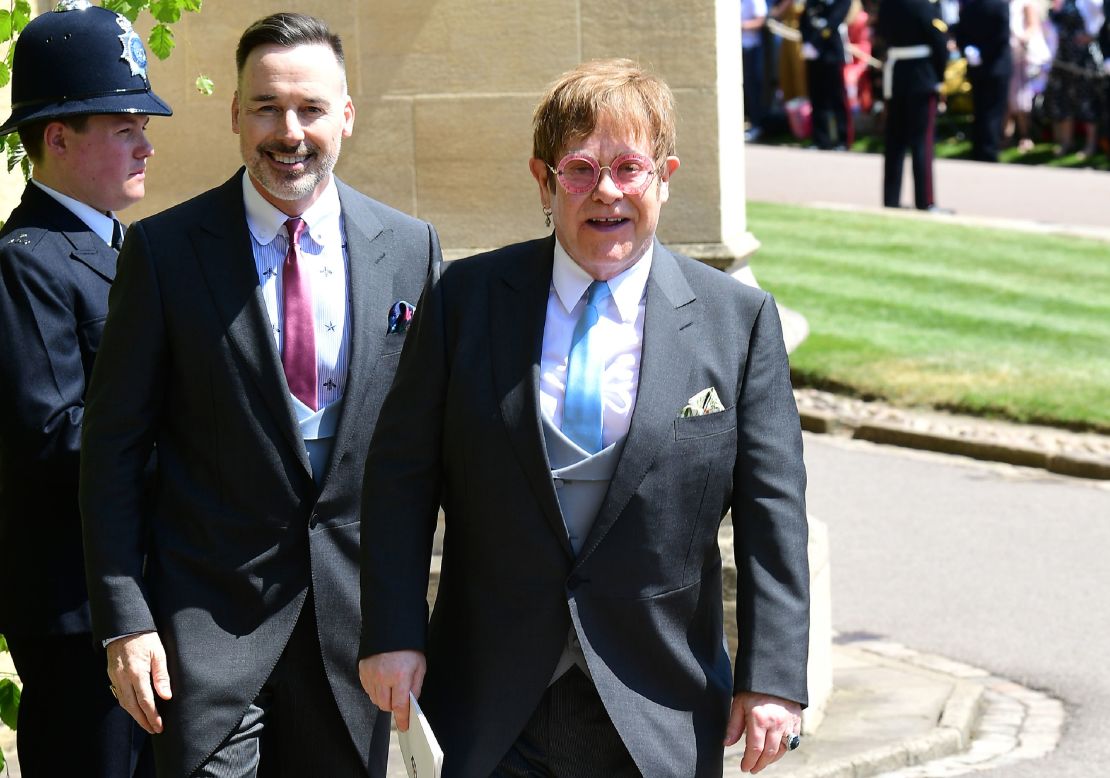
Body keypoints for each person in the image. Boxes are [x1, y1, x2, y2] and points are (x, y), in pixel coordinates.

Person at [358, 58, 810, 777]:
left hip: (661, 701)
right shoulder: (466, 300)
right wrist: (391, 632)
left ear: (665, 176)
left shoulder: (738, 321)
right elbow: (399, 483)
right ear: (543, 181)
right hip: (490, 698)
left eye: (630, 167)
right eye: (579, 169)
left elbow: (772, 514)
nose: (606, 193)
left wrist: (774, 679)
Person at [79, 12, 441, 777]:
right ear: (235, 115)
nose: (290, 131)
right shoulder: (165, 251)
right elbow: (112, 449)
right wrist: (123, 621)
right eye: (268, 107)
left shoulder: (412, 249)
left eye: (310, 108)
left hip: (359, 641)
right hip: (204, 639)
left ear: (346, 114)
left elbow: (439, 450)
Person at [0, 3, 171, 775]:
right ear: (58, 136)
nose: (147, 141)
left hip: (133, 593)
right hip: (78, 615)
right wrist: (202, 445)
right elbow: (51, 433)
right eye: (123, 124)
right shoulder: (27, 260)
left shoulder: (118, 246)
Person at [877, 0, 950, 209]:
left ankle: (891, 199)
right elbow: (938, 40)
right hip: (921, 75)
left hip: (897, 74)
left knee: (895, 142)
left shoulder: (889, 5)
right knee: (922, 142)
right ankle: (925, 201)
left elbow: (882, 33)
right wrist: (939, 76)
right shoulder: (923, 4)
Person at [956, 0, 1016, 161]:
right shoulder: (1000, 5)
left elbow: (960, 33)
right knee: (993, 112)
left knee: (980, 110)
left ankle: (978, 149)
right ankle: (988, 151)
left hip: (979, 66)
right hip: (996, 66)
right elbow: (1002, 37)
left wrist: (971, 51)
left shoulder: (970, 6)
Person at [800, 0, 854, 147]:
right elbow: (805, 21)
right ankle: (820, 139)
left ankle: (843, 140)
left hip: (832, 54)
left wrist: (815, 42)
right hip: (814, 54)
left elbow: (833, 21)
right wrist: (806, 43)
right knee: (817, 98)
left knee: (837, 97)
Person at [743, 0, 771, 140]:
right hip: (741, 48)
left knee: (753, 88)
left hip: (751, 48)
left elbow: (761, 20)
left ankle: (757, 126)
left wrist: (741, 25)